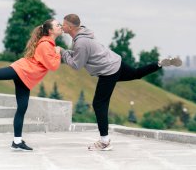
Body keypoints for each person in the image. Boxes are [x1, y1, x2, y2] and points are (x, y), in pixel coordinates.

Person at [60, 14, 182, 151]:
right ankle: (159, 64)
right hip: (115, 62)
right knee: (136, 73)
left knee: (99, 103)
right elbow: (80, 55)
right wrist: (67, 52)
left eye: (63, 24)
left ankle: (104, 141)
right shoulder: (84, 34)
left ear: (70, 27)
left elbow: (76, 65)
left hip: (108, 71)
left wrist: (62, 52)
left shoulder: (81, 42)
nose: (61, 26)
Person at [0, 19, 63, 151]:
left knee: (22, 108)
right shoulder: (46, 45)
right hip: (21, 70)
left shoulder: (48, 44)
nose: (60, 26)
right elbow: (53, 66)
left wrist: (55, 51)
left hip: (26, 77)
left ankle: (17, 142)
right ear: (50, 31)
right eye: (58, 25)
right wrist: (58, 52)